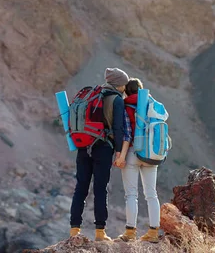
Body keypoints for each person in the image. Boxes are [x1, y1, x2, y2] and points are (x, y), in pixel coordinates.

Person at [69, 68, 129, 241]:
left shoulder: (92, 95)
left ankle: (74, 230)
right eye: (124, 85)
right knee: (100, 189)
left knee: (81, 187)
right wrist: (119, 151)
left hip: (84, 146)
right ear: (119, 84)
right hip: (103, 147)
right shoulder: (116, 99)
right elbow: (118, 128)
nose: (124, 88)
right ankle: (100, 232)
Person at [115, 78, 161, 243]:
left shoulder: (124, 106)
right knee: (151, 194)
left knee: (131, 195)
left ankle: (130, 232)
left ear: (127, 91)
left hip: (133, 152)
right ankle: (154, 232)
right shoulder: (152, 104)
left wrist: (120, 155)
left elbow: (125, 133)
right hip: (150, 153)